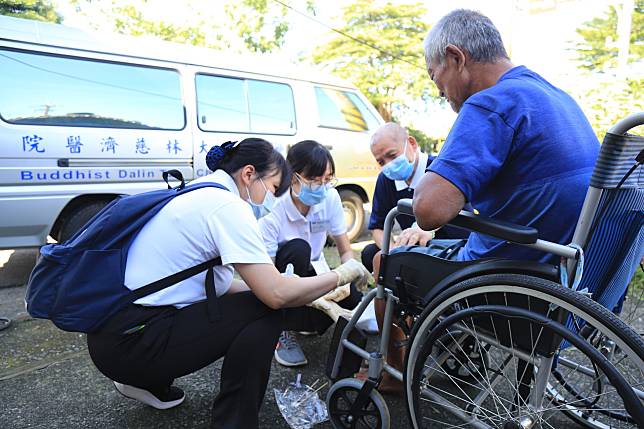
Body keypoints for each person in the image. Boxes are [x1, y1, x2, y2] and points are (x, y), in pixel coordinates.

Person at [372, 9, 600, 392]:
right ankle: (450, 354)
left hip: (510, 290)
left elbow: (428, 211)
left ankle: (394, 373)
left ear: (456, 57)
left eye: (435, 75)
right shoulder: (557, 97)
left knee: (384, 261)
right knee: (443, 243)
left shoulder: (491, 104)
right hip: (573, 282)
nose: (439, 91)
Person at [86, 138, 371, 429]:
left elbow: (222, 286)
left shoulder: (202, 191)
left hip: (114, 334)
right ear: (248, 174)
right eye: (273, 189)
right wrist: (340, 275)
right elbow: (274, 296)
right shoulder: (227, 206)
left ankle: (148, 382)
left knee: (255, 304)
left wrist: (300, 290)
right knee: (267, 313)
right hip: (134, 343)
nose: (270, 201)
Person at [259, 140, 363, 367]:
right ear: (292, 176)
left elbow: (345, 250)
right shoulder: (273, 206)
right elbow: (266, 273)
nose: (322, 187)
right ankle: (282, 329)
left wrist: (350, 273)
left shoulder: (331, 198)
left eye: (327, 179)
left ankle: (304, 323)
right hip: (282, 278)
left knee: (353, 299)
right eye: (315, 180)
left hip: (315, 272)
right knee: (298, 248)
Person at [360, 122, 469, 274]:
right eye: (381, 162)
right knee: (370, 253)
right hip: (413, 246)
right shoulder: (385, 181)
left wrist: (427, 229)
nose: (389, 165)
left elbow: (459, 206)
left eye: (392, 155)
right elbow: (378, 227)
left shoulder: (439, 168)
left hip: (451, 244)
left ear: (411, 143)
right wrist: (393, 251)